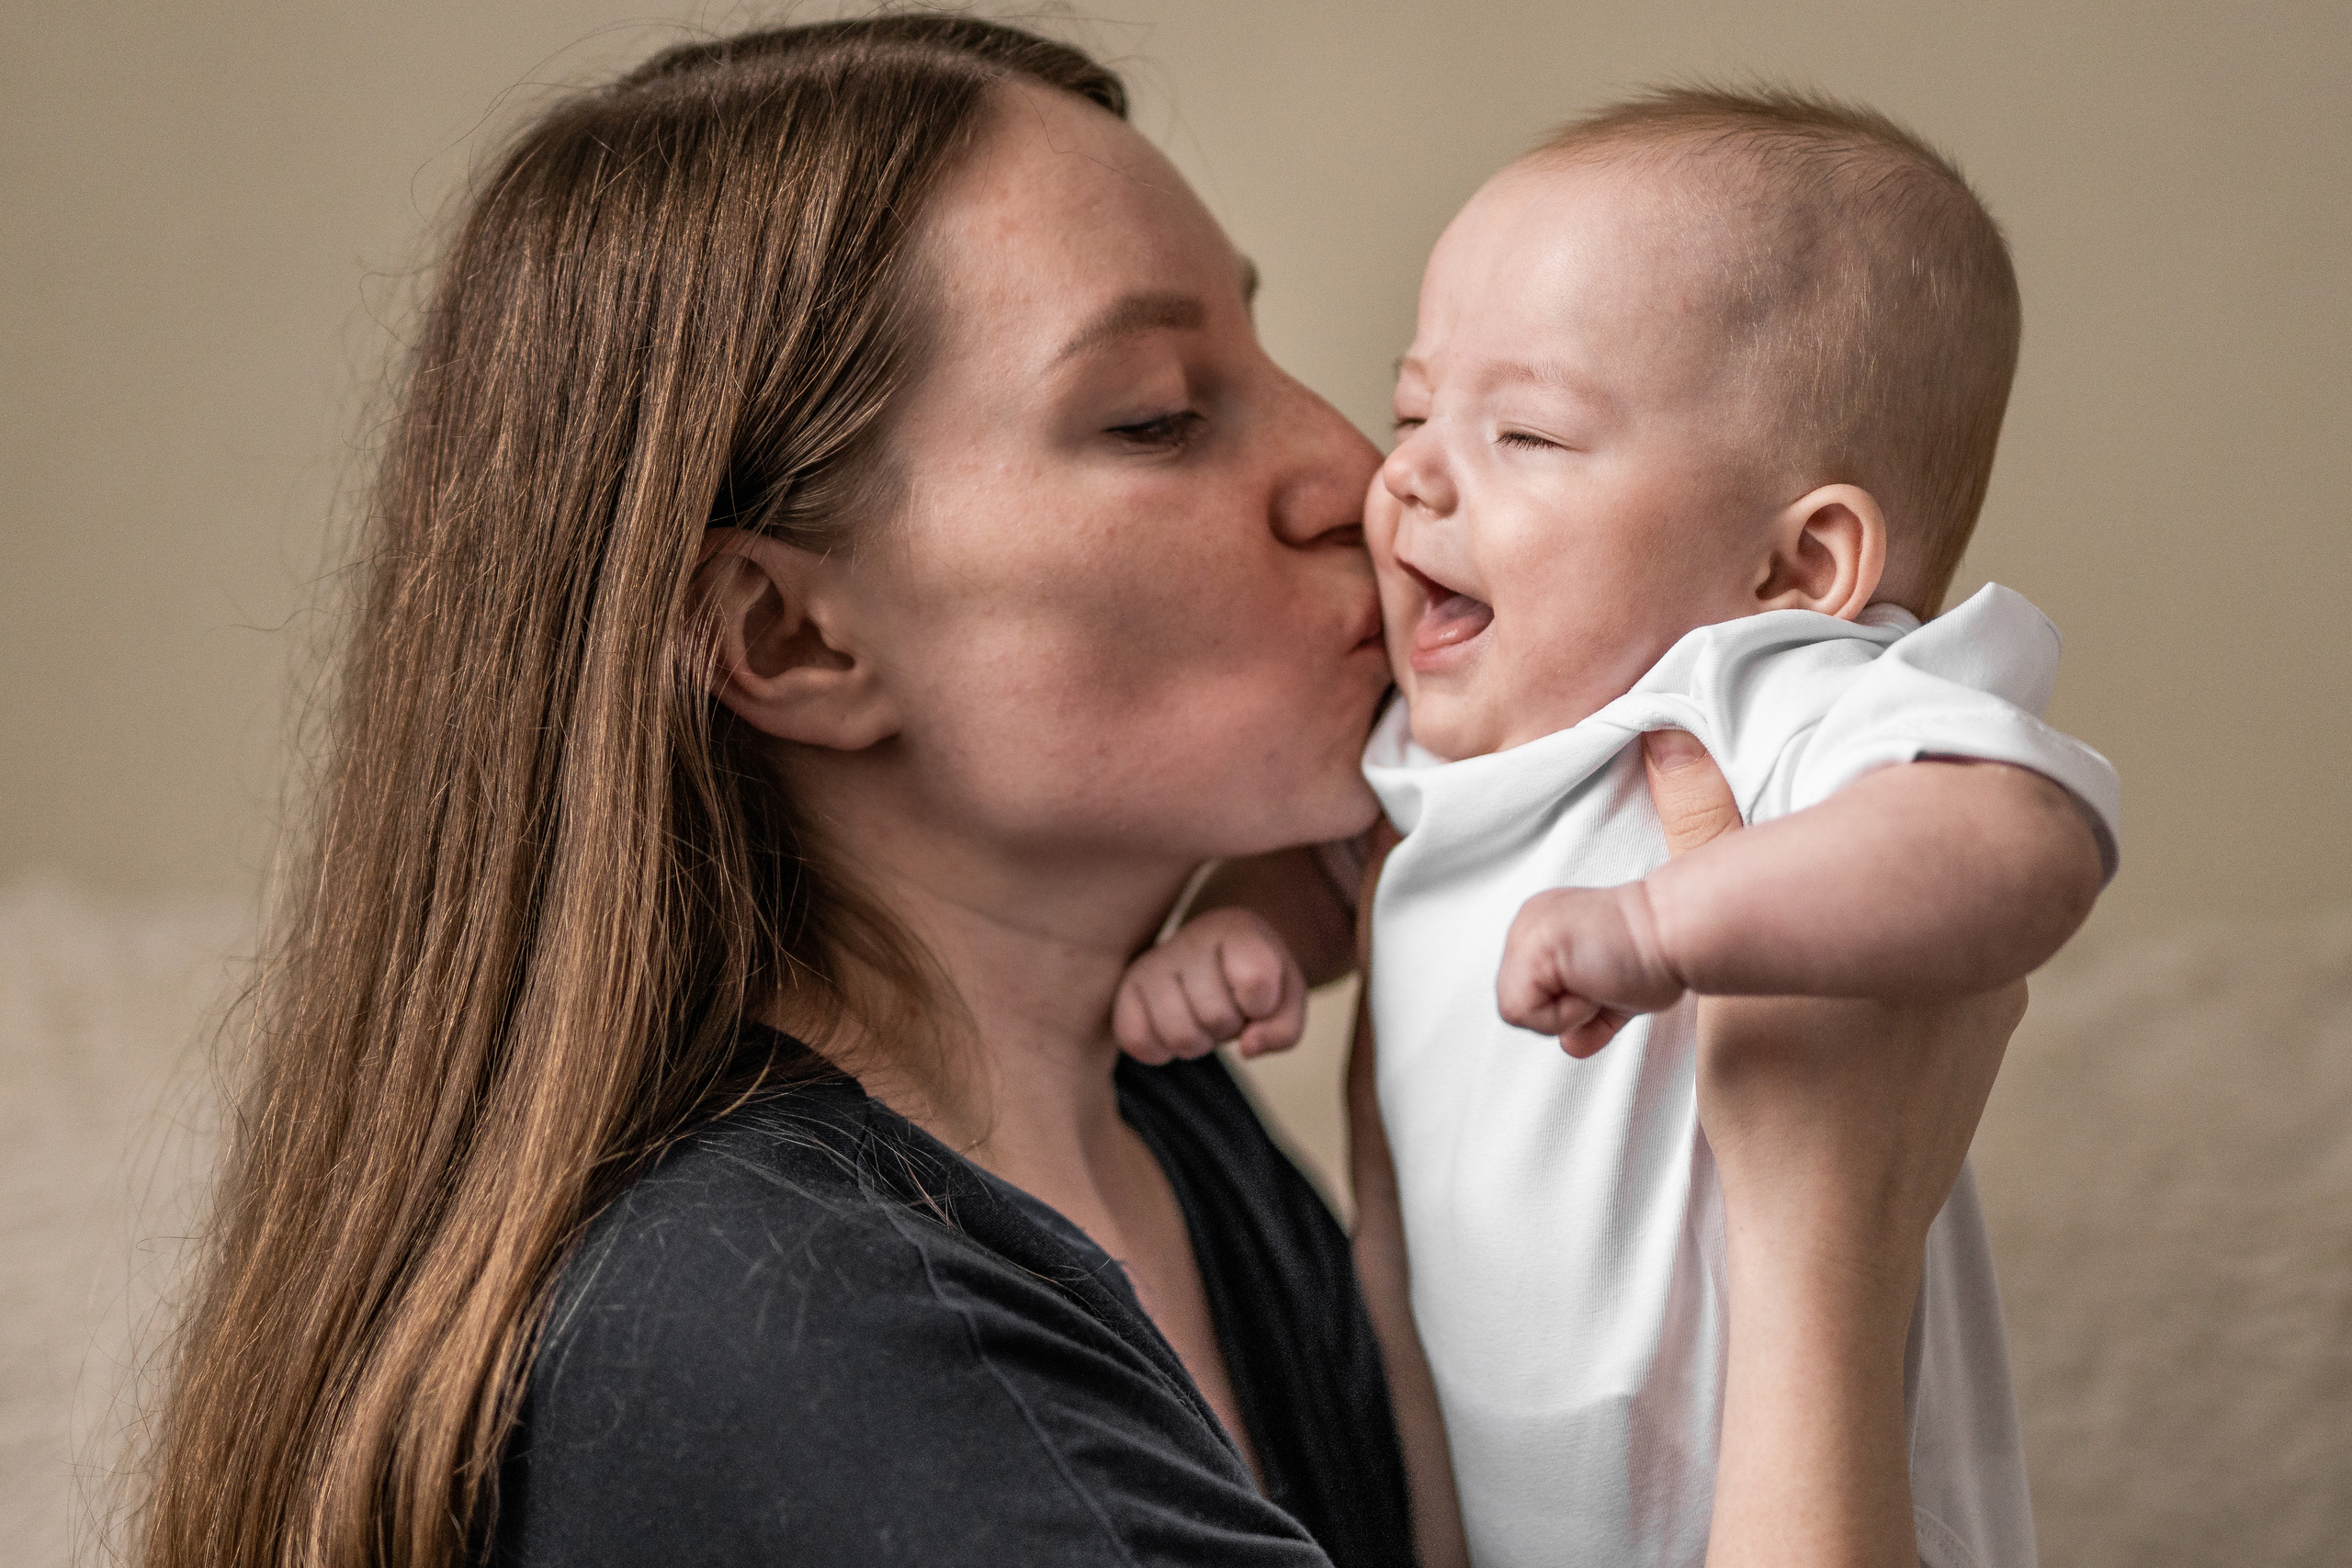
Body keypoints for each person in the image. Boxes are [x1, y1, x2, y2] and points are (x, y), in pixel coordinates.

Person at [137, 22, 2028, 1568]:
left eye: (1282, 359)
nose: (1349, 473)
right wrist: (1814, 1238)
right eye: (1151, 415)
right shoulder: (794, 1329)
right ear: (790, 639)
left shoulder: (1162, 1127)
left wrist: (1397, 1213)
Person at [1114, 88, 2117, 1567]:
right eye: (1414, 412)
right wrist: (1251, 932)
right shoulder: (1438, 731)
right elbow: (1354, 870)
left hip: (1798, 1478)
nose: (1410, 478)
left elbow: (2020, 848)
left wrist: (1675, 924)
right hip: (1498, 1489)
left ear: (1798, 561)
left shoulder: (1758, 694)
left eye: (1524, 432)